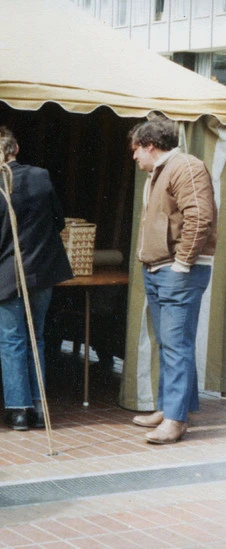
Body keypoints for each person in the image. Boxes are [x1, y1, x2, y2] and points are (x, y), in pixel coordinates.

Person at [0, 127, 73, 431]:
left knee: (12, 341)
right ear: (16, 147)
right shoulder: (42, 177)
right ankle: (40, 408)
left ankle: (19, 411)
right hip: (41, 272)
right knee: (37, 339)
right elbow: (58, 221)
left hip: (8, 276)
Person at [128, 117, 217, 444]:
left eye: (136, 150)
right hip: (159, 269)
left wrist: (182, 263)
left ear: (150, 146)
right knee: (170, 342)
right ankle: (170, 408)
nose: (135, 157)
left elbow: (200, 217)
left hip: (177, 271)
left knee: (176, 343)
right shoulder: (161, 171)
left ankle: (175, 420)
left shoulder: (187, 168)